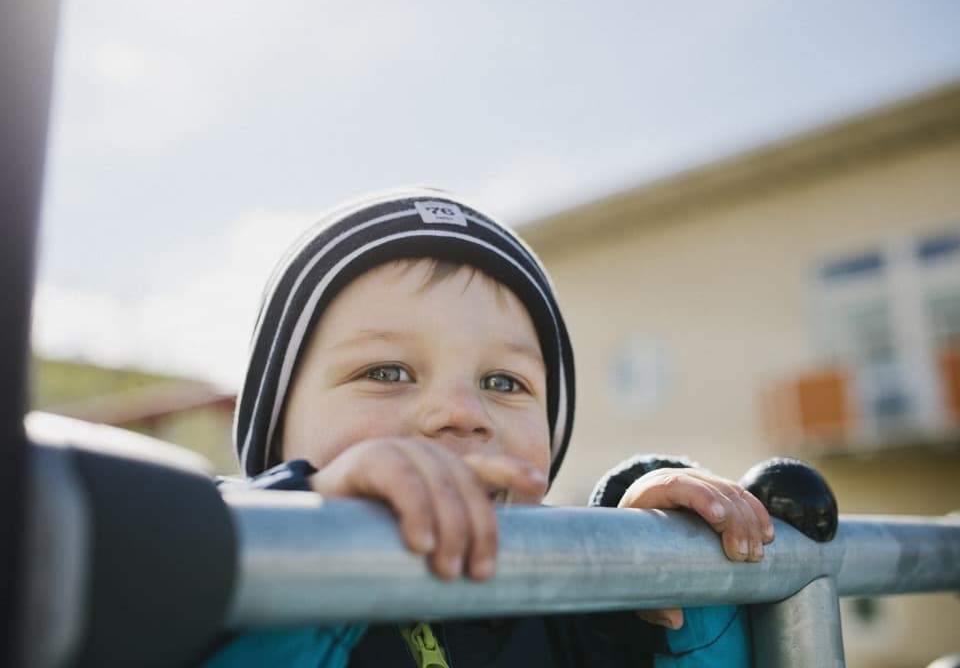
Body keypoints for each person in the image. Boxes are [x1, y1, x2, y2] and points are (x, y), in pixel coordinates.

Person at [203, 188, 776, 668]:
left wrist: (666, 555)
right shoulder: (185, 568)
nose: (462, 413)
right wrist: (313, 527)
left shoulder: (577, 620)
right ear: (274, 435)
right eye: (386, 371)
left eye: (503, 382)